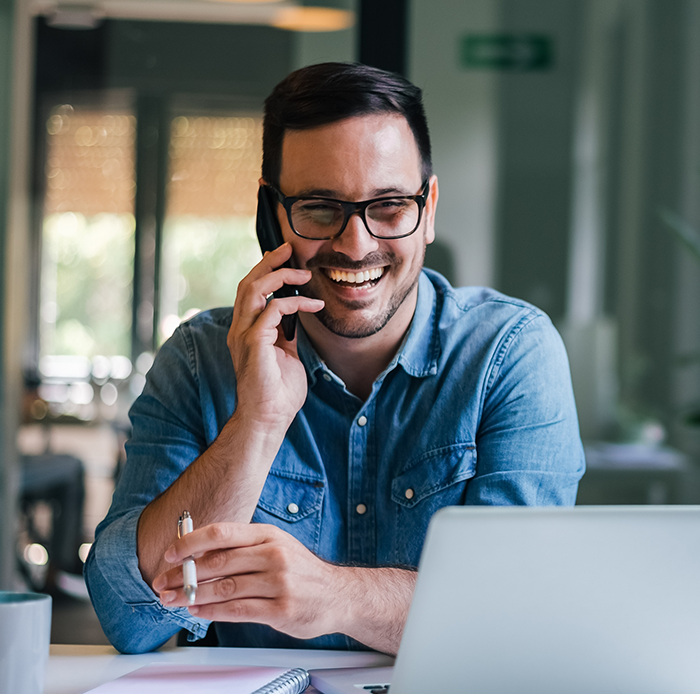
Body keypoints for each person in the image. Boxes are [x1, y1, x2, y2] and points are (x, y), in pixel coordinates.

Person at [85, 62, 585, 655]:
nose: (356, 244)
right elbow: (129, 619)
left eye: (390, 206)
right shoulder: (199, 360)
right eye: (320, 208)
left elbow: (520, 615)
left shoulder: (510, 354)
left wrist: (334, 596)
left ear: (428, 209)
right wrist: (257, 424)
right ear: (273, 216)